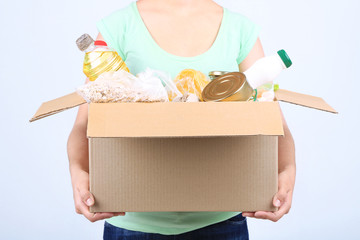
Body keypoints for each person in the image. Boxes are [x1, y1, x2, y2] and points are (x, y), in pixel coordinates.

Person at [67, 0, 296, 239]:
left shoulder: (238, 30)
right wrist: (78, 170)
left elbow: (272, 119)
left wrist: (287, 170)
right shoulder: (119, 27)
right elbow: (84, 124)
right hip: (132, 224)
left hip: (223, 222)